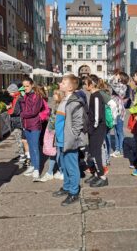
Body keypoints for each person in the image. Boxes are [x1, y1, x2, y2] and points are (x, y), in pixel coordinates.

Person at [52, 74, 87, 206]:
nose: (60, 84)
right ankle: (66, 187)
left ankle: (74, 192)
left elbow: (78, 123)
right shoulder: (64, 99)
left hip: (69, 140)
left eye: (63, 82)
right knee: (64, 166)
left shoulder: (75, 101)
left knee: (72, 166)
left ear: (71, 87)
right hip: (61, 139)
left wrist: (72, 137)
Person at [84, 75, 109, 187]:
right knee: (93, 152)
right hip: (93, 129)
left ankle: (103, 177)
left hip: (98, 129)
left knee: (96, 153)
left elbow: (97, 116)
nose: (84, 85)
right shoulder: (92, 95)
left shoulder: (97, 96)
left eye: (86, 83)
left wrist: (92, 128)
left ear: (91, 84)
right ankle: (96, 174)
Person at [20, 77, 44, 182]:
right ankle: (33, 166)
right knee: (30, 147)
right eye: (24, 86)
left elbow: (34, 111)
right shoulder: (25, 96)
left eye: (27, 86)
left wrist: (21, 114)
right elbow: (23, 108)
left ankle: (37, 170)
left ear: (32, 85)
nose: (25, 88)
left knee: (35, 148)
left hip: (34, 125)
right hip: (26, 125)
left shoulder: (37, 96)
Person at [39, 89, 65, 182]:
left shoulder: (60, 106)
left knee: (57, 153)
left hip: (56, 132)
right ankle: (50, 172)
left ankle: (61, 172)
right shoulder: (56, 105)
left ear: (60, 96)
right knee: (53, 153)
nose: (53, 96)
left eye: (55, 94)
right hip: (52, 131)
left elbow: (57, 120)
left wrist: (51, 127)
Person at [109, 72, 129, 158]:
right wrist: (114, 79)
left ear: (121, 78)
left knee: (119, 131)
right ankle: (117, 149)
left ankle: (120, 150)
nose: (115, 76)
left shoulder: (123, 86)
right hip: (114, 110)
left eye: (117, 75)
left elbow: (119, 92)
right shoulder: (117, 84)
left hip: (119, 111)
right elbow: (110, 82)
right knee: (116, 131)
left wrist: (115, 81)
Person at [6, 84, 25, 162]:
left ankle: (22, 156)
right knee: (20, 138)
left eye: (10, 92)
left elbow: (16, 111)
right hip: (18, 121)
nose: (9, 94)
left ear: (13, 91)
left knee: (19, 138)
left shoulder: (18, 98)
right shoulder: (17, 97)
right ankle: (22, 154)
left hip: (18, 122)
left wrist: (9, 110)